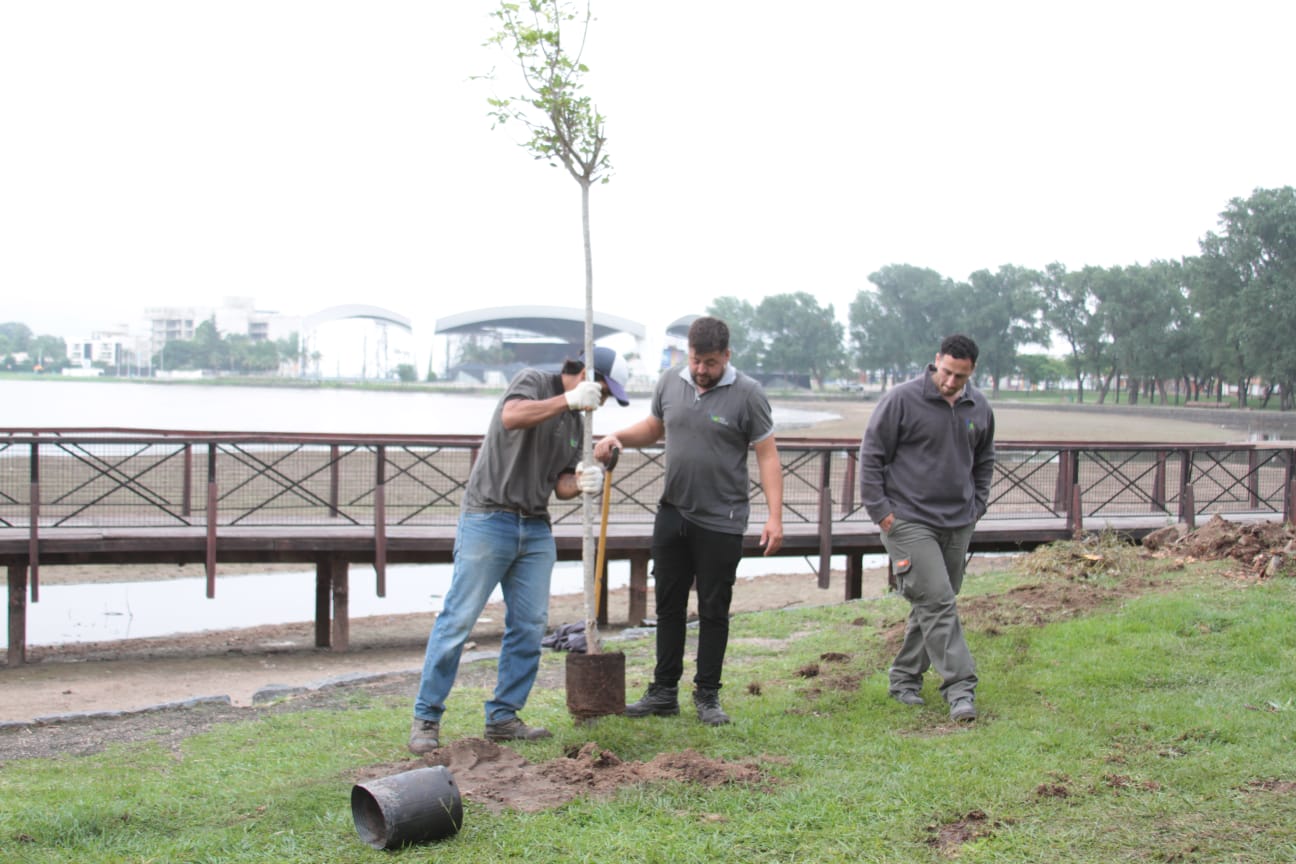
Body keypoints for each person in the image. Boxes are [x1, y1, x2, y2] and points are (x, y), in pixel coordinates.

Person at [408, 346, 630, 754]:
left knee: (529, 625)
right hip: (488, 518)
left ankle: (503, 716)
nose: (603, 400)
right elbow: (512, 416)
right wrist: (567, 399)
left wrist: (584, 479)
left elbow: (560, 484)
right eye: (604, 390)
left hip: (535, 525)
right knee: (458, 619)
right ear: (588, 374)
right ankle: (427, 716)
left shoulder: (578, 423)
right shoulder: (534, 381)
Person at [593, 316, 784, 726]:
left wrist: (775, 517)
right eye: (696, 360)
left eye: (710, 362)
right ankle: (664, 692)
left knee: (713, 609)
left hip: (722, 519)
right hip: (672, 512)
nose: (701, 369)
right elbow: (654, 427)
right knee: (668, 605)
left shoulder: (749, 394)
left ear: (726, 356)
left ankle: (708, 695)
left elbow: (767, 455)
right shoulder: (669, 382)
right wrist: (618, 437)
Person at [858, 334, 995, 723]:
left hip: (958, 521)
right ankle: (961, 689)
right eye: (946, 372)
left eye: (960, 376)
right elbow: (871, 455)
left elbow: (985, 459)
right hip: (908, 520)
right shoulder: (901, 400)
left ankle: (904, 679)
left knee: (935, 601)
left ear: (972, 371)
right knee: (937, 601)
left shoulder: (980, 407)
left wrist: (977, 505)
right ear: (937, 360)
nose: (950, 382)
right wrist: (881, 512)